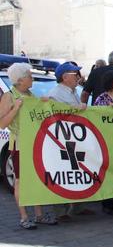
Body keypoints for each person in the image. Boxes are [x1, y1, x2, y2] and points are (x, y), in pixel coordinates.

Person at [0, 63, 57, 229]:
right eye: (29, 76)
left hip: (35, 143)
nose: (32, 79)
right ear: (20, 80)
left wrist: (46, 103)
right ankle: (24, 216)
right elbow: (3, 123)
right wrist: (16, 108)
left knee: (36, 179)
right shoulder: (9, 96)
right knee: (20, 181)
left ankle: (39, 215)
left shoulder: (30, 94)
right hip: (19, 143)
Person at [47, 61, 90, 219]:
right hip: (63, 138)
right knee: (63, 173)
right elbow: (55, 114)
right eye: (75, 74)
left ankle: (78, 206)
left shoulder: (73, 92)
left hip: (75, 137)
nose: (78, 77)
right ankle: (61, 211)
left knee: (77, 171)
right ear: (65, 77)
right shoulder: (56, 93)